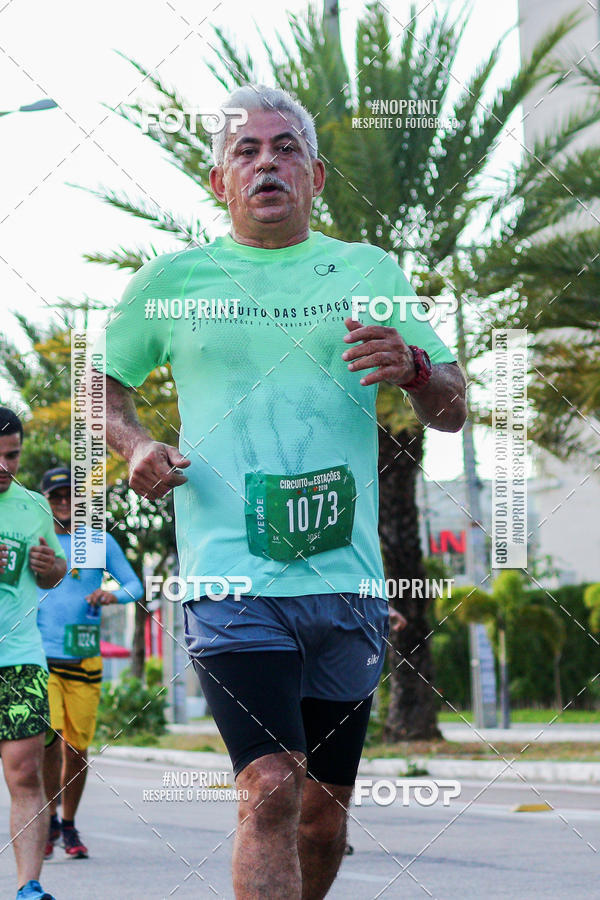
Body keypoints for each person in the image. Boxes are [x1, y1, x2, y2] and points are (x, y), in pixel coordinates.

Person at [94, 84, 467, 899]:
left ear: (318, 175)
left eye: (286, 148)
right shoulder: (174, 279)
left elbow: (454, 408)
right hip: (231, 577)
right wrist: (135, 444)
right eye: (247, 151)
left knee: (323, 814)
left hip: (345, 581)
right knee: (269, 787)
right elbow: (101, 389)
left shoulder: (368, 271)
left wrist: (412, 368)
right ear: (219, 180)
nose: (268, 162)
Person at [37, 467, 143, 860]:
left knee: (77, 749)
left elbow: (136, 585)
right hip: (43, 657)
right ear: (46, 500)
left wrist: (111, 596)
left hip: (85, 660)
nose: (63, 501)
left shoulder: (99, 542)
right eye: (56, 495)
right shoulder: (40, 540)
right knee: (50, 741)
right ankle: (47, 819)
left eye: (70, 495)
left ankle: (68, 822)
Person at [0, 407, 67, 900]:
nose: (5, 467)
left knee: (24, 771)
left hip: (20, 655)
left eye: (13, 456)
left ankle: (29, 886)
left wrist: (50, 566)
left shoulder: (32, 506)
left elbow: (52, 574)